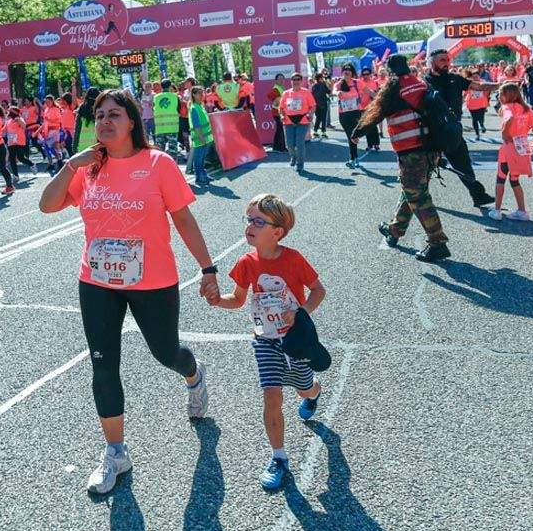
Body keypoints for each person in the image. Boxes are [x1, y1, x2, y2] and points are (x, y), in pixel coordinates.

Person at [38, 89, 220, 496]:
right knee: (103, 365)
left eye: (114, 114)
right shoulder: (87, 169)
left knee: (165, 353)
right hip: (97, 282)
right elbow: (47, 205)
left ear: (132, 122)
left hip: (152, 281)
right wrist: (70, 165)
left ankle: (193, 374)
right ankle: (115, 451)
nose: (104, 121)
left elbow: (185, 221)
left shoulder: (158, 164)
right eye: (100, 115)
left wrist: (207, 269)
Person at [208, 194, 326, 491]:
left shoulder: (294, 259)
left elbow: (318, 290)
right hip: (265, 340)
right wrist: (216, 300)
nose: (250, 225)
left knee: (302, 386)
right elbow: (236, 300)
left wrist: (300, 312)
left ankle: (313, 392)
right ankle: (279, 458)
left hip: (295, 339)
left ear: (277, 232)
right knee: (272, 395)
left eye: (258, 221)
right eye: (248, 219)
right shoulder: (246, 262)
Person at [353, 55, 450, 262]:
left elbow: (376, 112)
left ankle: (437, 242)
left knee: (417, 196)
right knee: (413, 190)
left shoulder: (394, 87)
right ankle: (394, 230)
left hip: (411, 149)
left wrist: (358, 132)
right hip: (430, 148)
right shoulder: (420, 83)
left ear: (389, 71)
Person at [424, 49, 497, 207]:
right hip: (430, 133)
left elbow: (478, 86)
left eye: (448, 60)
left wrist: (500, 85)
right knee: (424, 169)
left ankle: (478, 195)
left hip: (452, 131)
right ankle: (418, 199)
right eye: (442, 60)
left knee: (464, 164)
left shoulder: (455, 79)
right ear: (432, 62)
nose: (447, 63)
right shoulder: (423, 82)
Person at [488, 84, 533, 221]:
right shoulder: (526, 109)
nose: (499, 97)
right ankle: (522, 211)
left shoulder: (507, 107)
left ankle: (497, 210)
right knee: (514, 180)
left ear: (507, 95)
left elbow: (510, 118)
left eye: (501, 94)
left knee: (500, 178)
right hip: (522, 147)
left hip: (509, 148)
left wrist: (505, 133)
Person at [279, 73, 316, 174]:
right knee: (290, 144)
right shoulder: (286, 93)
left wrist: (310, 114)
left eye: (298, 79)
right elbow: (281, 108)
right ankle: (293, 157)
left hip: (302, 119)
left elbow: (313, 106)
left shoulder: (306, 92)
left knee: (299, 143)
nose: (296, 81)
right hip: (288, 120)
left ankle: (300, 164)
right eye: (294, 79)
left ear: (301, 81)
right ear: (291, 81)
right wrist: (282, 115)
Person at [335, 65, 366, 167]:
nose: (347, 72)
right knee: (350, 135)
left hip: (355, 113)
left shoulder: (357, 82)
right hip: (343, 114)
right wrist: (337, 93)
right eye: (345, 70)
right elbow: (334, 91)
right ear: (342, 72)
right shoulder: (339, 84)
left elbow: (369, 91)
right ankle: (354, 158)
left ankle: (353, 158)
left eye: (349, 70)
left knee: (353, 135)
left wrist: (379, 99)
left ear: (352, 72)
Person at [188, 86, 214, 186]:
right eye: (199, 93)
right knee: (198, 159)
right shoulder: (194, 107)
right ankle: (199, 177)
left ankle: (203, 174)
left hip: (204, 137)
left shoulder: (200, 106)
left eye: (202, 93)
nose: (201, 95)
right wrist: (201, 138)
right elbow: (196, 125)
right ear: (193, 95)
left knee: (202, 158)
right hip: (199, 138)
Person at [152, 79, 182, 157]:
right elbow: (179, 110)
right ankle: (172, 168)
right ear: (170, 86)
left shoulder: (156, 97)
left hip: (160, 129)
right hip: (172, 128)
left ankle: (161, 168)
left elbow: (153, 110)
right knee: (173, 151)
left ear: (161, 86)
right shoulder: (175, 97)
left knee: (160, 153)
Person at [5, 107, 32, 181]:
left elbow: (24, 126)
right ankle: (16, 175)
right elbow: (3, 130)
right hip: (11, 142)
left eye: (10, 112)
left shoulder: (20, 118)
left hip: (19, 142)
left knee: (21, 158)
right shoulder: (8, 121)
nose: (9, 113)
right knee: (12, 159)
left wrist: (18, 120)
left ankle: (32, 164)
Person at [464, 71, 490, 141]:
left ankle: (481, 125)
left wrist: (487, 96)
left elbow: (488, 91)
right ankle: (477, 134)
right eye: (473, 76)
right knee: (474, 119)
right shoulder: (469, 83)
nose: (475, 78)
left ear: (479, 76)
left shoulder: (483, 82)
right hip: (472, 104)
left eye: (476, 76)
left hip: (482, 103)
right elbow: (465, 92)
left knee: (481, 117)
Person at [74, 87, 101, 152]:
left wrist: (74, 146)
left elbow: (77, 130)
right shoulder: (100, 109)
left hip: (82, 147)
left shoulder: (81, 109)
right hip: (97, 147)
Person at [267, 74, 287, 153]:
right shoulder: (276, 89)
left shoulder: (281, 87)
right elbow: (269, 96)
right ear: (276, 80)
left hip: (280, 111)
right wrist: (276, 101)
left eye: (283, 78)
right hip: (277, 112)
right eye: (279, 79)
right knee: (280, 129)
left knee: (279, 129)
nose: (281, 80)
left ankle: (276, 147)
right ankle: (281, 148)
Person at [310, 73, 331, 138]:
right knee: (323, 118)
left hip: (316, 105)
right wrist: (330, 85)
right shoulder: (323, 84)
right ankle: (323, 132)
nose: (323, 79)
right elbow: (329, 92)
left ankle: (315, 131)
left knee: (318, 118)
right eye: (322, 77)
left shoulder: (314, 86)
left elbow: (312, 95)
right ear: (320, 78)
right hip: (323, 104)